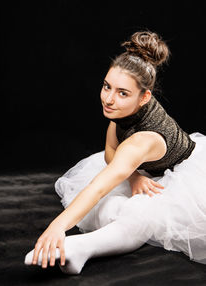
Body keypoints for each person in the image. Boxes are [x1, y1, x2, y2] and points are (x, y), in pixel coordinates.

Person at [24, 31, 206, 274]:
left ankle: (79, 248)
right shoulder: (122, 111)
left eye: (122, 93)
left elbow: (99, 186)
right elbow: (110, 151)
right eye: (107, 86)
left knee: (141, 215)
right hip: (143, 169)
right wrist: (133, 176)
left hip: (182, 174)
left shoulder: (142, 140)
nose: (108, 99)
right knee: (110, 205)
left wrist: (57, 227)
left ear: (145, 98)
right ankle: (89, 244)